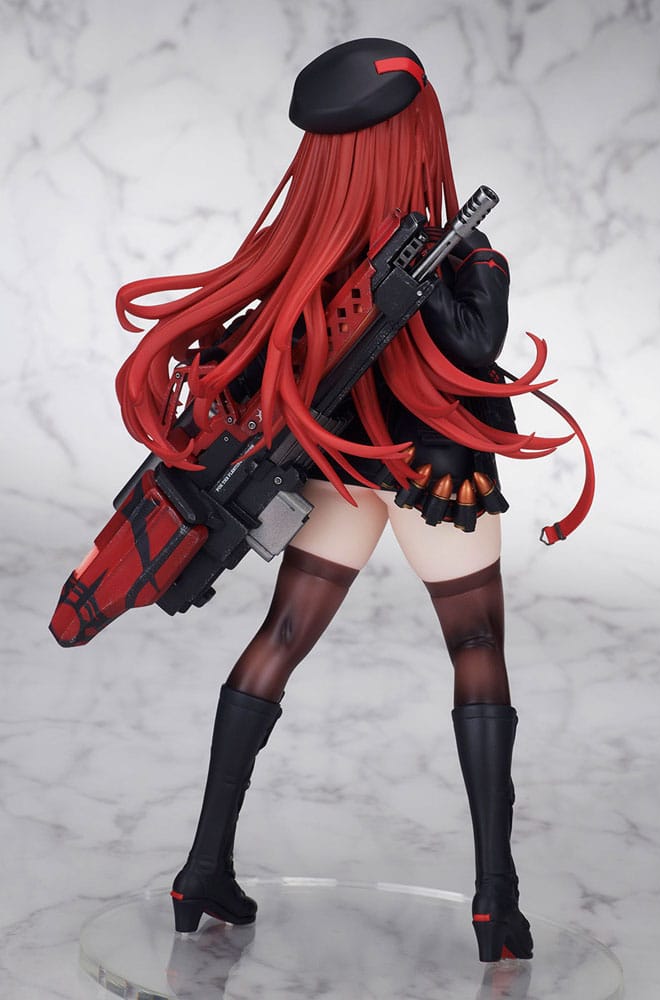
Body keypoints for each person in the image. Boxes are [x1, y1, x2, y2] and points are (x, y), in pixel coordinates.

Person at [114, 38, 557, 963]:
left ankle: (206, 869)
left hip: (377, 472)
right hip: (398, 471)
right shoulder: (378, 261)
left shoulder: (359, 254)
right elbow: (471, 349)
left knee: (286, 637)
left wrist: (417, 285)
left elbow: (468, 343)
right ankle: (493, 902)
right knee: (471, 646)